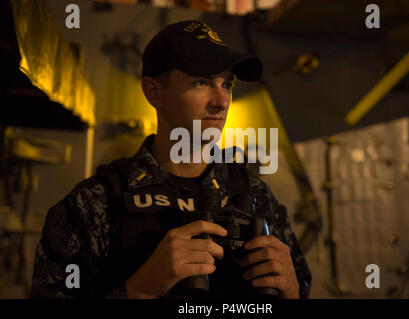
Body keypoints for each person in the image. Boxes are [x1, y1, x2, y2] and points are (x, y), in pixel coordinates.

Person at [30, 20, 312, 299]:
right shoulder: (93, 204)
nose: (222, 101)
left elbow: (298, 288)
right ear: (154, 92)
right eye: (201, 82)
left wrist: (293, 292)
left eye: (227, 84)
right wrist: (138, 290)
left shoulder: (257, 197)